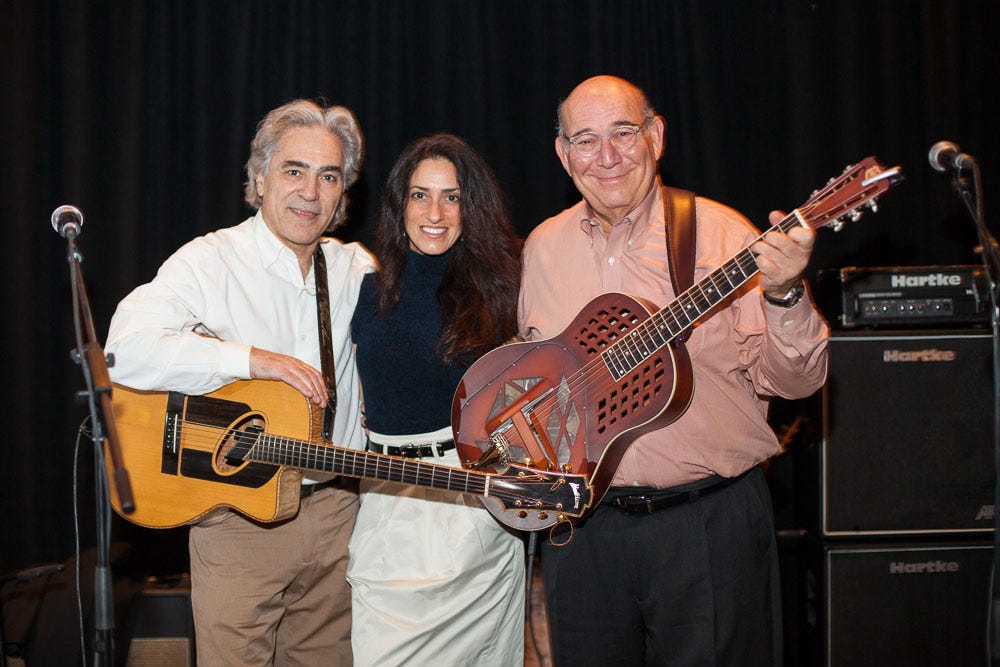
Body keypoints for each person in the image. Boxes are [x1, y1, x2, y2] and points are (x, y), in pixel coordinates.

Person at [519, 75, 829, 665]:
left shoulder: (723, 237)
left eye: (623, 134)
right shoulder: (541, 249)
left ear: (656, 136)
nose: (605, 157)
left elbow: (797, 383)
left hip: (707, 527)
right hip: (582, 535)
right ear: (563, 154)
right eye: (585, 140)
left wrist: (786, 295)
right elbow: (533, 374)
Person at [105, 99, 374, 665]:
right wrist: (251, 360)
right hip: (237, 522)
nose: (311, 192)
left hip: (338, 515)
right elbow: (122, 352)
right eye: (293, 170)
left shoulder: (355, 267)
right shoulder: (211, 262)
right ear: (259, 178)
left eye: (329, 177)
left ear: (342, 193)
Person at [348, 133, 526, 666]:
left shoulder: (506, 292)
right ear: (399, 204)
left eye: (451, 197)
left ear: (472, 208)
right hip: (384, 505)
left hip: (472, 513)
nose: (435, 212)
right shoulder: (363, 287)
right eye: (420, 195)